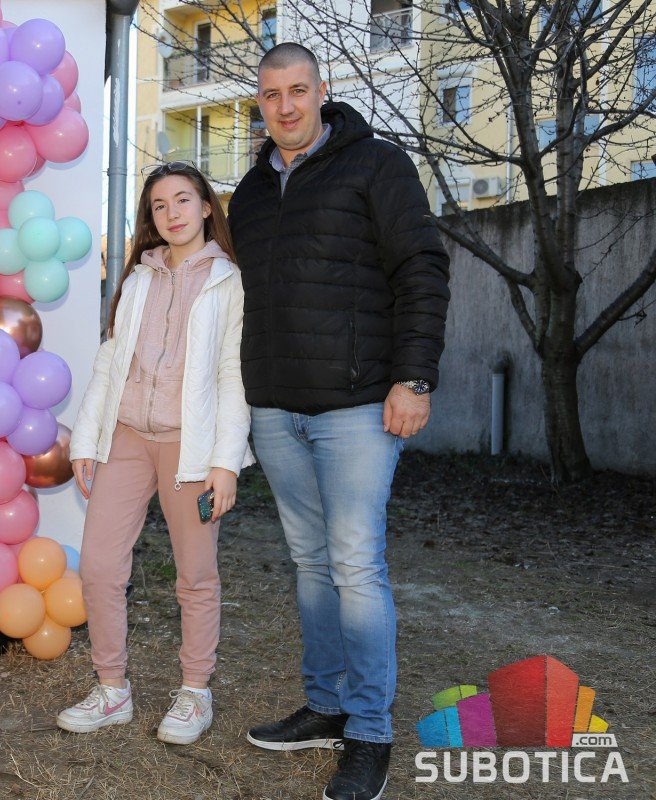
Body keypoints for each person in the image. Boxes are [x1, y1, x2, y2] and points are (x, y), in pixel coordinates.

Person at [229, 43, 450, 800]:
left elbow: (422, 268)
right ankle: (325, 705)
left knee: (355, 565)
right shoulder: (249, 194)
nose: (285, 106)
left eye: (298, 90)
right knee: (311, 564)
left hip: (358, 407)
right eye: (271, 95)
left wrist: (414, 379)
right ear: (259, 103)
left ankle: (370, 732)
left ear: (322, 91)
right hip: (275, 408)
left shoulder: (376, 166)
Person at [57, 162, 254, 746]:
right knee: (99, 565)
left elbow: (233, 374)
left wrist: (225, 462)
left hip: (190, 448)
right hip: (126, 438)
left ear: (206, 207)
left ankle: (195, 692)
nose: (172, 213)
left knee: (195, 574)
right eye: (160, 205)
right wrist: (87, 440)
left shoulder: (229, 282)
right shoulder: (139, 277)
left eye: (183, 200)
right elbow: (111, 358)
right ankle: (111, 689)